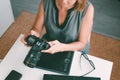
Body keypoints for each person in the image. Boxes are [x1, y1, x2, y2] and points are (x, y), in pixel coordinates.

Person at [21, 0, 94, 54]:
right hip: (49, 46)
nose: (63, 1)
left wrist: (62, 47)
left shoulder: (88, 9)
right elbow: (36, 28)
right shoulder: (46, 2)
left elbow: (82, 43)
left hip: (75, 50)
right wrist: (33, 34)